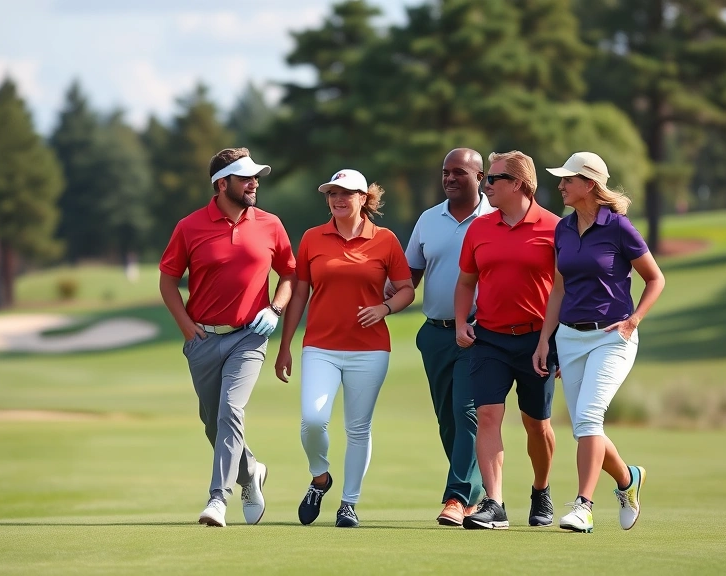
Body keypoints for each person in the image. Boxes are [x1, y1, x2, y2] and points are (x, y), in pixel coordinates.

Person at [159, 147, 297, 528]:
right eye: (245, 178)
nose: (254, 184)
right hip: (203, 339)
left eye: (255, 177)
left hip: (249, 337)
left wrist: (276, 309)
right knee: (212, 421)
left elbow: (289, 274)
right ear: (222, 184)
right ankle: (251, 471)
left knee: (230, 411)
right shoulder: (189, 227)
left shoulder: (270, 224)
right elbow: (168, 281)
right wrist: (187, 327)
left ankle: (218, 499)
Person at [533, 151, 666, 533]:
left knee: (590, 419)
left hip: (612, 336)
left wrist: (634, 319)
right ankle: (628, 480)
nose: (560, 185)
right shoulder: (562, 228)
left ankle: (583, 506)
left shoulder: (619, 228)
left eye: (567, 179)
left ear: (589, 184)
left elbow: (655, 278)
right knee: (584, 428)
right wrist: (546, 340)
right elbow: (558, 289)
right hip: (570, 337)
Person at [275, 169, 415, 528]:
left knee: (358, 428)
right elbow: (300, 294)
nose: (338, 199)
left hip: (370, 350)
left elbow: (405, 289)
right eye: (332, 193)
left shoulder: (385, 240)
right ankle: (320, 477)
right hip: (320, 345)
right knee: (312, 420)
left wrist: (384, 308)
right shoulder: (311, 238)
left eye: (346, 193)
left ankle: (349, 504)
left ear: (363, 198)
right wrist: (285, 344)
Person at [454, 151, 560, 530]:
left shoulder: (554, 228)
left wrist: (555, 341)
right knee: (487, 415)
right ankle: (495, 502)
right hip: (490, 340)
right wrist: (461, 322)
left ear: (517, 183)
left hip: (537, 342)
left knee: (537, 425)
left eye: (493, 179)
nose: (486, 186)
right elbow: (466, 281)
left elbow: (564, 291)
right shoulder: (479, 228)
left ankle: (541, 488)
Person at [397, 148, 495, 526]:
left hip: (477, 332)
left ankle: (456, 497)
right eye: (445, 173)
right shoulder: (428, 218)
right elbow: (410, 275)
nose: (450, 178)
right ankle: (476, 496)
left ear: (480, 178)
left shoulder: (494, 218)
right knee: (448, 421)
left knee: (465, 412)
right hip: (435, 334)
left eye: (458, 172)